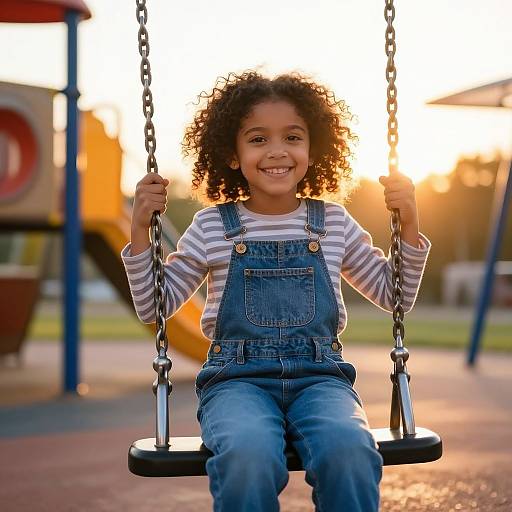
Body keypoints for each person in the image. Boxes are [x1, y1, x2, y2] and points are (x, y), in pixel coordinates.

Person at [122, 71, 430, 512]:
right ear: (232, 153)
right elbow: (156, 304)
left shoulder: (334, 223)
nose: (277, 151)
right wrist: (139, 231)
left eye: (292, 136)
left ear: (312, 148)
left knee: (351, 449)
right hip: (237, 381)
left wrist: (410, 225)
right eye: (258, 139)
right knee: (247, 454)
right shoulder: (212, 226)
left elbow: (393, 295)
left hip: (321, 378)